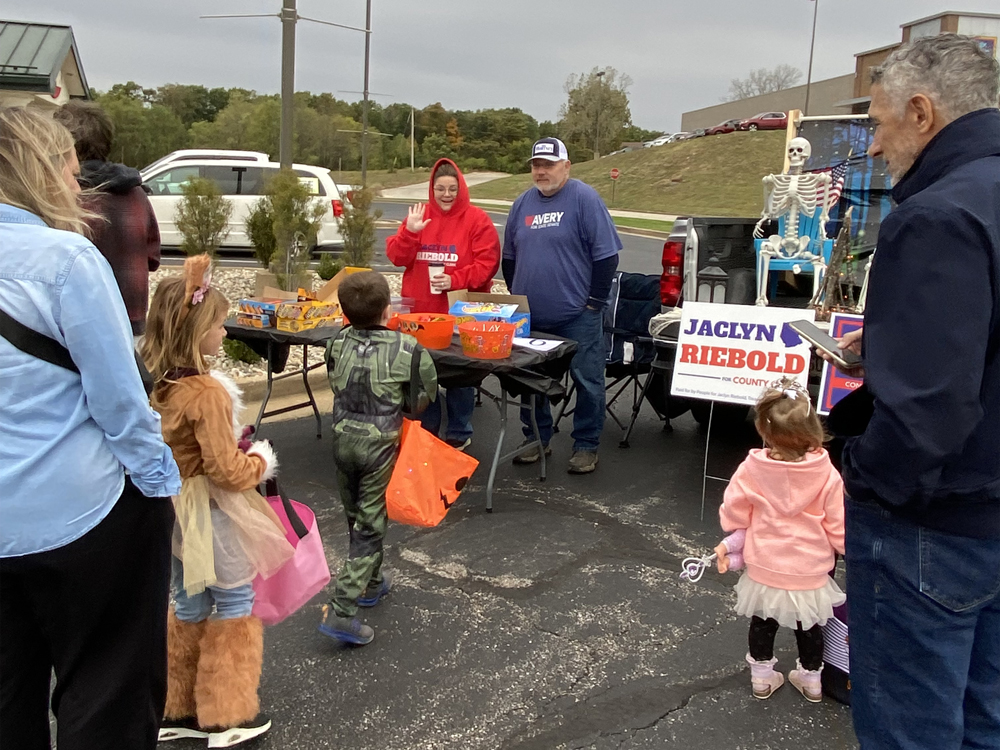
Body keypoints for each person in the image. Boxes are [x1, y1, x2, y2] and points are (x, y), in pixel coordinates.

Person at [827, 35, 1000, 749]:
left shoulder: (935, 215)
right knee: (983, 722)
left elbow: (929, 413)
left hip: (933, 525)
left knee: (912, 730)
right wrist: (896, 342)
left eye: (877, 122)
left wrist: (866, 477)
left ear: (922, 113)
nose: (872, 145)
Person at [0, 107, 181, 749]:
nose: (78, 187)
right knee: (107, 693)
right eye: (71, 173)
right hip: (80, 514)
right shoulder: (65, 259)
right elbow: (120, 401)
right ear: (40, 171)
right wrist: (161, 485)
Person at [142, 254, 294, 746]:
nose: (224, 335)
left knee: (186, 600)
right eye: (219, 325)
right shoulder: (209, 393)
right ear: (195, 331)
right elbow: (225, 470)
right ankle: (228, 715)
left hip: (173, 509)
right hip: (213, 510)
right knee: (235, 598)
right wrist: (261, 463)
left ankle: (176, 708)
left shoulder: (159, 382)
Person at [318, 271, 438, 646]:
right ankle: (342, 608)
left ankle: (370, 582)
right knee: (370, 527)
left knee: (355, 513)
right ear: (388, 309)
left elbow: (335, 380)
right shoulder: (408, 349)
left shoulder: (336, 343)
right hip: (379, 445)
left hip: (342, 439)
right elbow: (422, 398)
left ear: (345, 311)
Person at [717, 380, 845, 703]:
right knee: (810, 625)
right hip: (810, 568)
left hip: (766, 564)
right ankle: (811, 680)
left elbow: (734, 509)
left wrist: (733, 528)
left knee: (763, 620)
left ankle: (762, 678)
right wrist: (845, 548)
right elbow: (838, 522)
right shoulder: (827, 474)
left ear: (763, 428)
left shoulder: (752, 468)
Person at [502, 137, 621, 474]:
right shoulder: (522, 204)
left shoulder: (584, 199)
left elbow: (607, 257)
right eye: (536, 165)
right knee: (531, 382)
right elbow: (509, 257)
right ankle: (536, 439)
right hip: (532, 317)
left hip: (577, 316)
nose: (541, 171)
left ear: (566, 167)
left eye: (549, 164)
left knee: (587, 382)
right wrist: (519, 298)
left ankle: (585, 445)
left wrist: (594, 304)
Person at [386, 158, 500, 450]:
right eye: (440, 189)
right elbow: (398, 257)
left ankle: (459, 431)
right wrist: (410, 232)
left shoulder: (477, 220)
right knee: (422, 375)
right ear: (432, 190)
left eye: (452, 188)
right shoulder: (419, 217)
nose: (446, 194)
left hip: (457, 313)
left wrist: (455, 279)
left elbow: (487, 265)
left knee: (459, 375)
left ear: (461, 188)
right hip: (420, 315)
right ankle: (428, 427)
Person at [53, 100, 161, 338]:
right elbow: (152, 259)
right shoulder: (136, 194)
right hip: (130, 319)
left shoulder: (64, 197)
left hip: (76, 326)